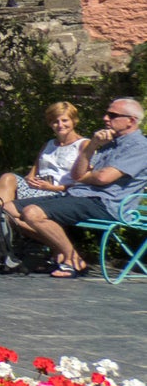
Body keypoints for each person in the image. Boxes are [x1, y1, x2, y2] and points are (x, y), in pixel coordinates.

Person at [15, 98, 147, 277]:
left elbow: (103, 177)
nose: (105, 118)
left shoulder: (140, 147)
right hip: (79, 195)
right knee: (7, 209)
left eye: (112, 115)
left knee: (32, 213)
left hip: (106, 203)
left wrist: (87, 177)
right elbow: (77, 175)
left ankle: (71, 260)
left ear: (131, 121)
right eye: (106, 113)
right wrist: (91, 145)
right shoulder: (108, 143)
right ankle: (72, 256)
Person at [0, 102, 88, 219]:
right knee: (1, 185)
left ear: (74, 121)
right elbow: (31, 175)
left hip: (61, 194)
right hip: (38, 189)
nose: (60, 125)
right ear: (50, 124)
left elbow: (84, 183)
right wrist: (31, 180)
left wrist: (51, 188)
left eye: (65, 120)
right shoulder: (48, 145)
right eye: (55, 121)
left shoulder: (84, 145)